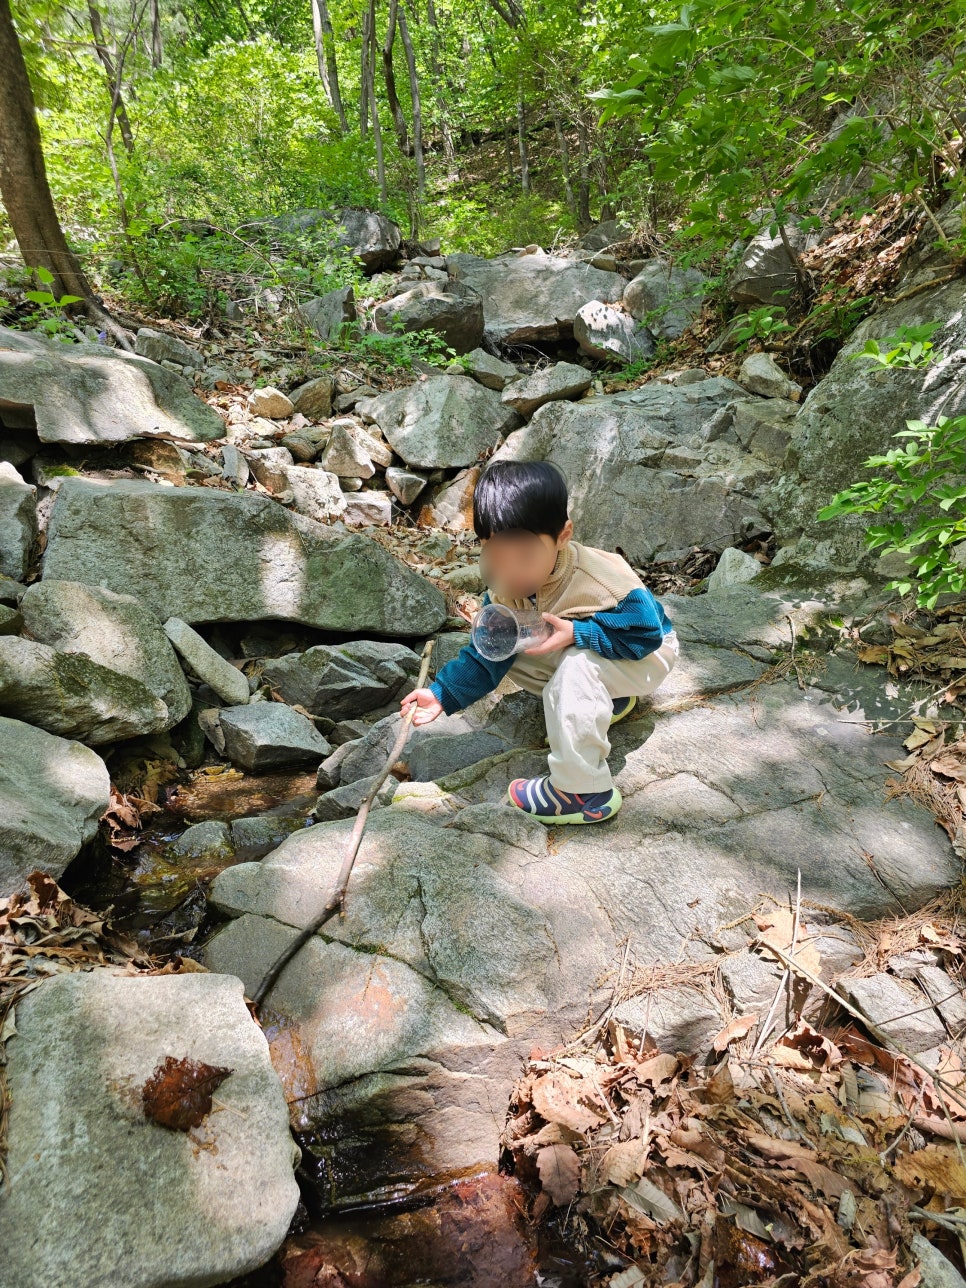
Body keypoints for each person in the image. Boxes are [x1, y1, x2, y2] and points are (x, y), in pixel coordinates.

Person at [400, 460, 679, 824]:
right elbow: (488, 655)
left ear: (563, 535)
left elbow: (646, 634)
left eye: (526, 557)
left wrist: (579, 634)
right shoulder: (507, 589)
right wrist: (441, 693)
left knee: (577, 668)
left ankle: (581, 790)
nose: (511, 573)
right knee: (509, 640)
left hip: (645, 655)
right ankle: (608, 700)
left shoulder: (601, 578)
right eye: (496, 556)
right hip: (599, 658)